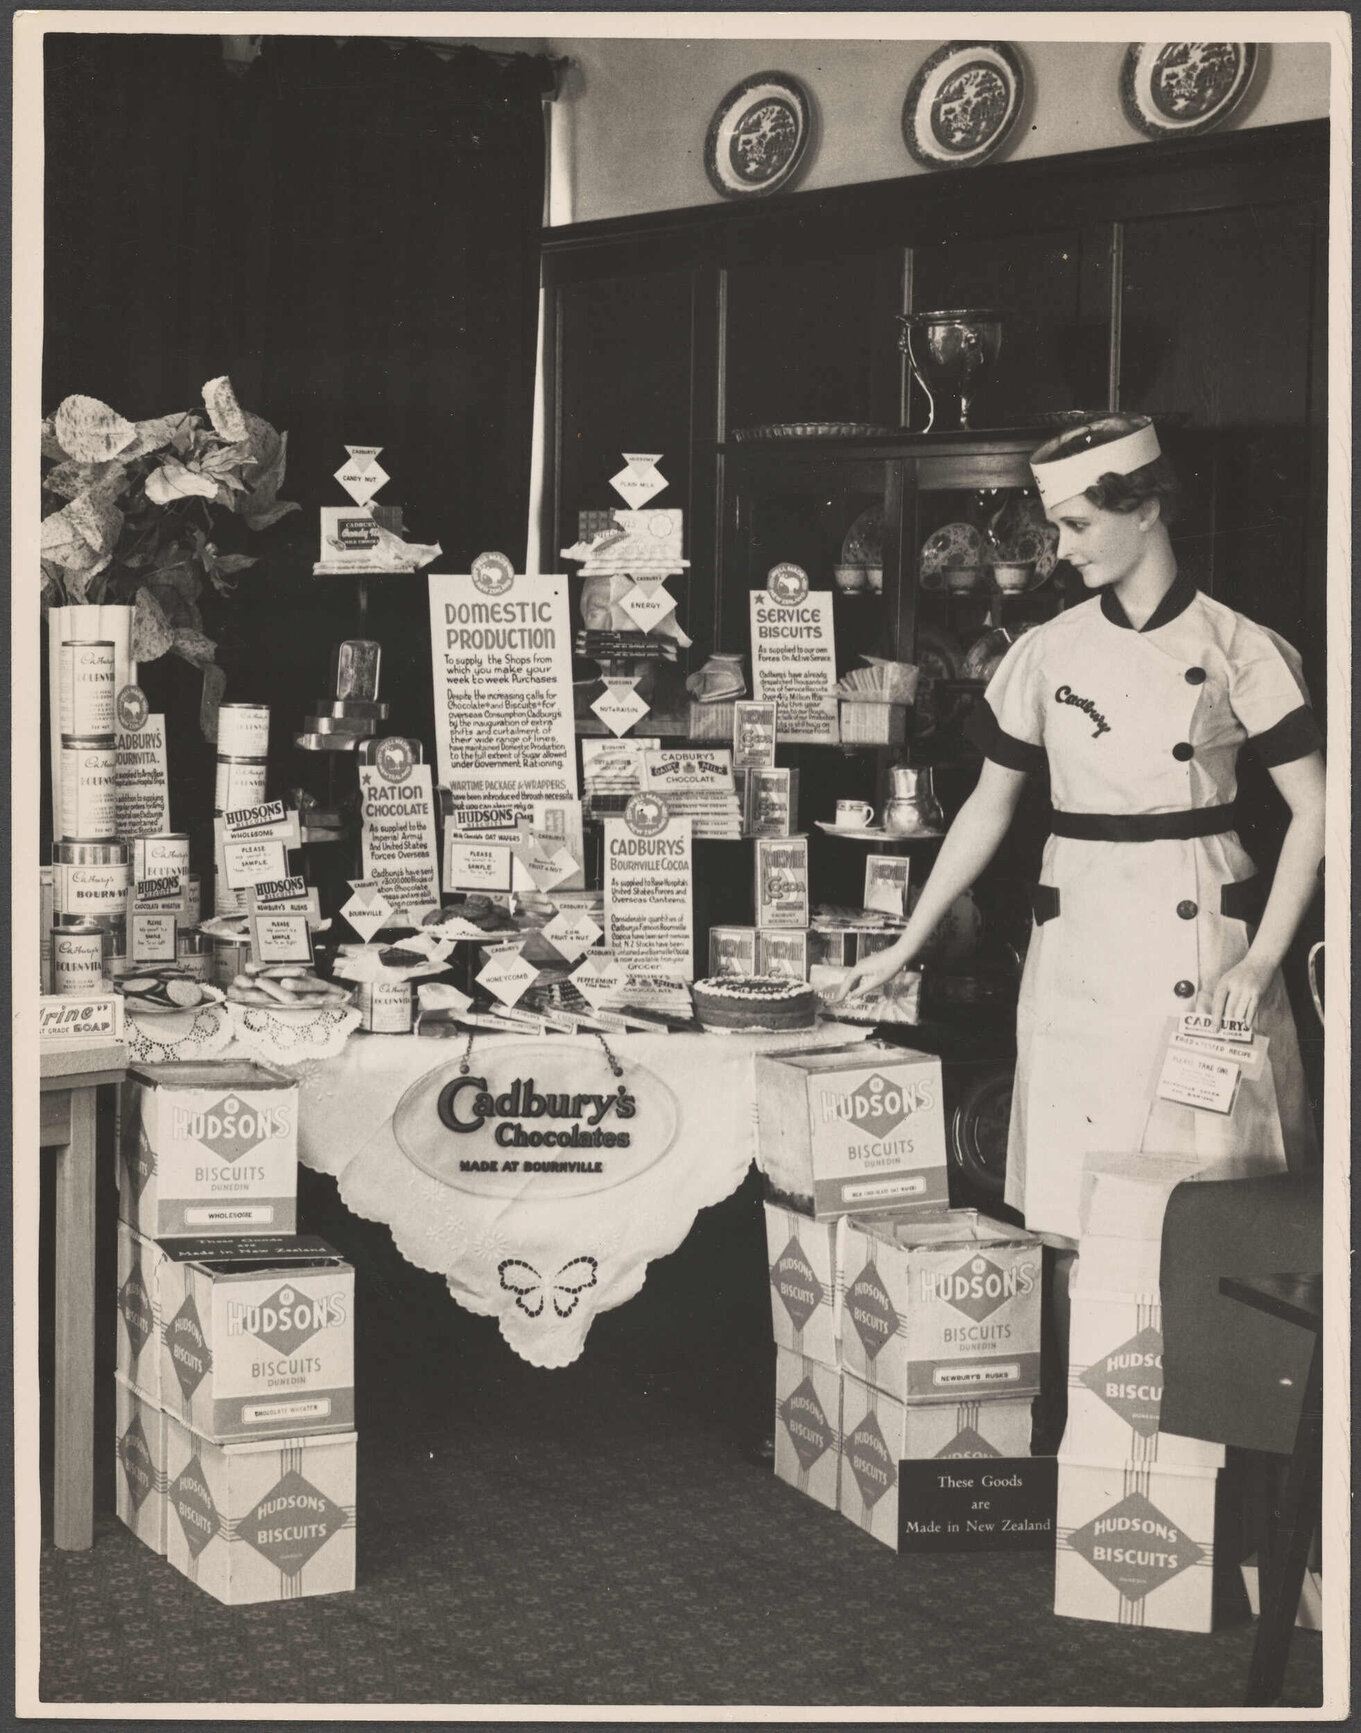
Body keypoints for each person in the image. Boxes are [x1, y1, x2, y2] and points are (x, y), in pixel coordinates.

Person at [829, 413, 1325, 1434]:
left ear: (1142, 511)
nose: (1056, 551)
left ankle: (1206, 1447)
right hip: (1080, 942)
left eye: (1071, 525)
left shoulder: (1239, 647)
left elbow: (1323, 807)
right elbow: (985, 806)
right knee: (1070, 1199)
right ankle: (1093, 1439)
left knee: (1205, 1196)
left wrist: (1264, 955)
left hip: (1204, 939)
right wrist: (906, 939)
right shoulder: (1043, 651)